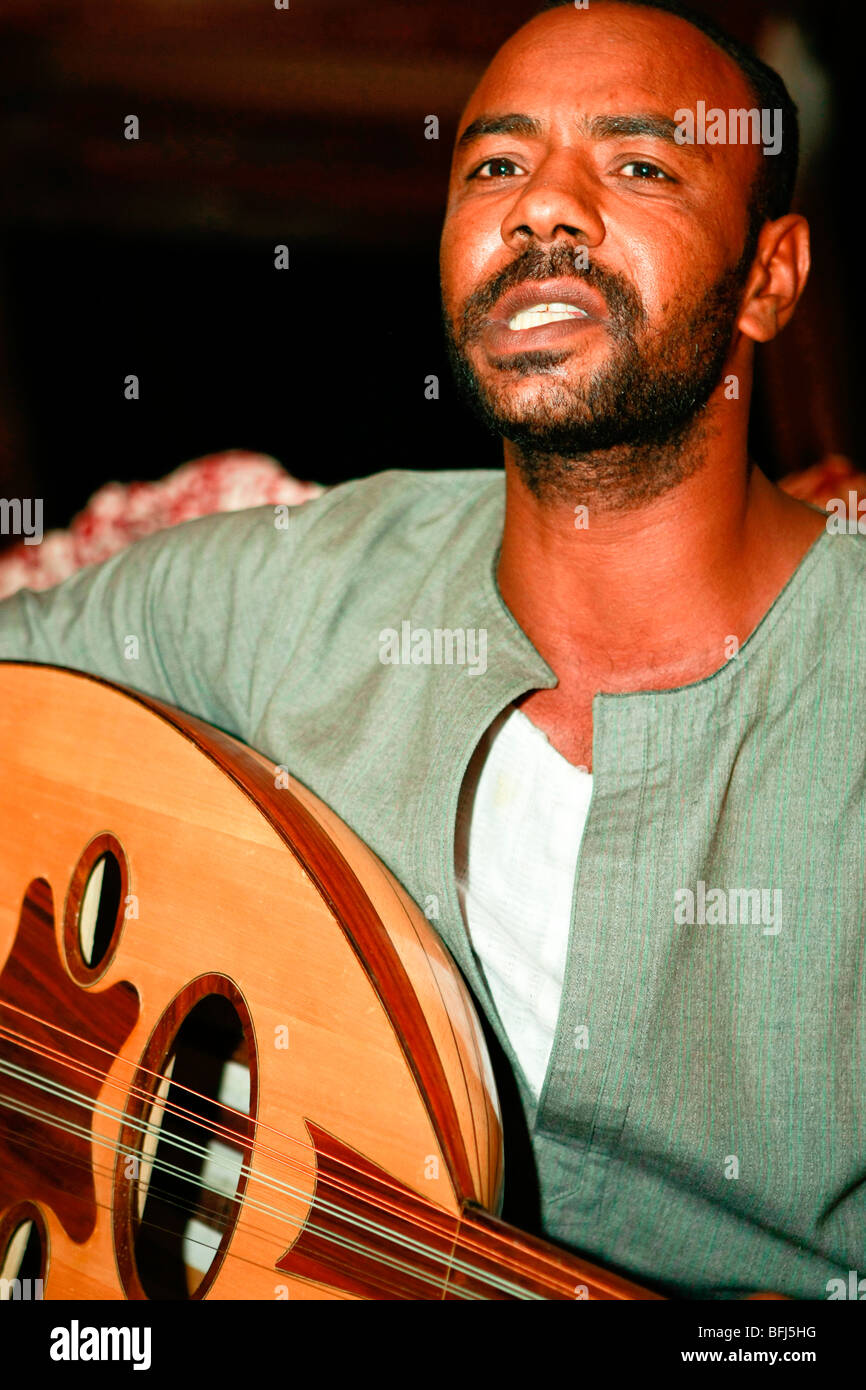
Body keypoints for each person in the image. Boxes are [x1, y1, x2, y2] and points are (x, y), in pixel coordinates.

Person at [1, 0, 864, 1300]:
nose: (541, 213)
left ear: (767, 277)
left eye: (635, 165)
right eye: (494, 167)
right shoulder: (299, 584)